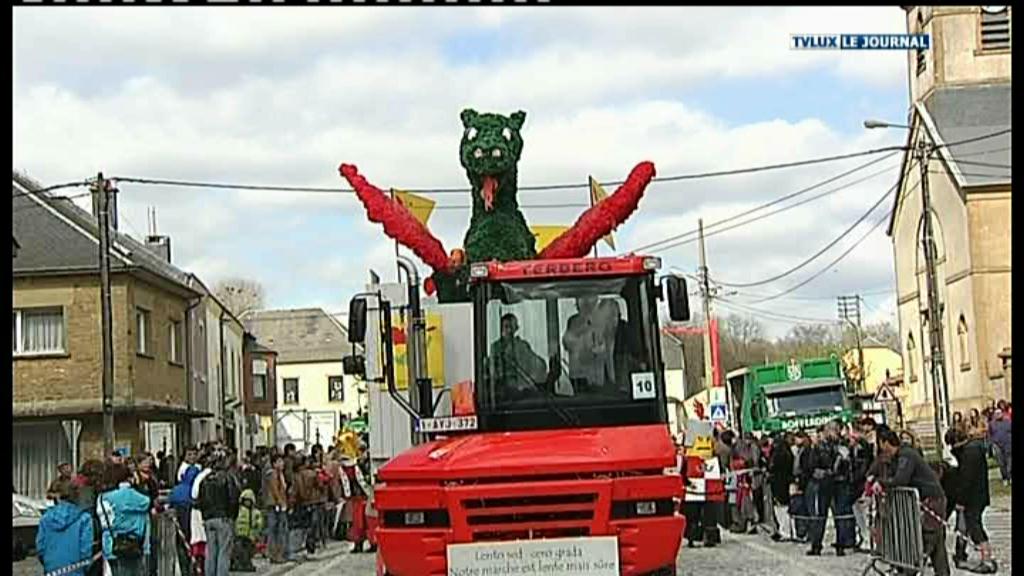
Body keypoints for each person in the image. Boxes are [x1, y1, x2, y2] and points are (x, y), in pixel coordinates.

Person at [873, 429, 950, 576]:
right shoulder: (898, 456)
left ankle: (911, 571)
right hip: (925, 501)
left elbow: (900, 479)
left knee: (929, 538)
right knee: (935, 542)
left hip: (932, 501)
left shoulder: (906, 455)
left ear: (885, 443)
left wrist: (881, 483)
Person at [946, 428, 997, 572]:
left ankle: (987, 560)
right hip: (978, 495)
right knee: (970, 526)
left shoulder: (968, 453)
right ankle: (968, 554)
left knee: (975, 527)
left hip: (973, 498)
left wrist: (961, 500)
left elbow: (966, 479)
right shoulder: (974, 448)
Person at [97, 463, 152, 576]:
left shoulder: (102, 497)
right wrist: (135, 483)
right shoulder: (127, 494)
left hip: (109, 544)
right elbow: (147, 502)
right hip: (130, 544)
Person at [196, 452, 240, 576]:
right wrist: (232, 516)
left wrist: (205, 516)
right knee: (224, 551)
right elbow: (233, 498)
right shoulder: (228, 478)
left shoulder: (205, 479)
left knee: (210, 551)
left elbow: (200, 499)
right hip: (224, 517)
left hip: (209, 518)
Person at [36, 483, 94, 576]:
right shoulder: (84, 518)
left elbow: (40, 548)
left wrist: (49, 564)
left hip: (52, 569)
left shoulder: (45, 518)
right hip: (76, 569)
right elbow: (86, 550)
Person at [562, 296, 613, 392]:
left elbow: (609, 347)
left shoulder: (603, 320)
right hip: (578, 378)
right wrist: (583, 326)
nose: (578, 304)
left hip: (598, 379)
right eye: (578, 302)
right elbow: (567, 343)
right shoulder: (573, 322)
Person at [490, 313, 548, 396]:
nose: (509, 331)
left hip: (523, 391)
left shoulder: (523, 346)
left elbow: (539, 366)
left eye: (512, 327)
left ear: (516, 328)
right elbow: (494, 373)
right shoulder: (495, 348)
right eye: (506, 327)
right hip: (503, 395)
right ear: (500, 328)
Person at [263, 454, 291, 564]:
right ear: (274, 463)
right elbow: (275, 490)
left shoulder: (280, 474)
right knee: (277, 530)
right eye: (279, 461)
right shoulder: (273, 474)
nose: (282, 463)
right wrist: (281, 502)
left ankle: (278, 553)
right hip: (275, 505)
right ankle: (276, 554)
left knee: (278, 529)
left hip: (278, 504)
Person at [768, 433, 794, 542]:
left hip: (780, 483)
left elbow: (775, 467)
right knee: (779, 508)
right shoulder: (786, 452)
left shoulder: (780, 454)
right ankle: (782, 529)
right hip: (780, 482)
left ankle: (785, 531)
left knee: (782, 508)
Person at [231, 489, 264, 572]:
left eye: (249, 501)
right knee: (238, 551)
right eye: (245, 501)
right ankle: (238, 564)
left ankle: (246, 564)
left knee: (248, 552)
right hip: (239, 535)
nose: (247, 503)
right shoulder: (238, 510)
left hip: (249, 536)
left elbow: (258, 523)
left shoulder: (255, 512)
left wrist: (256, 532)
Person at [988, 408, 1012, 486]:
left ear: (1002, 414)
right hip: (997, 445)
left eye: (999, 413)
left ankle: (1010, 476)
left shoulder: (1008, 422)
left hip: (1008, 444)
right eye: (996, 413)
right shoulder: (992, 424)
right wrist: (993, 444)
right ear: (994, 415)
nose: (998, 415)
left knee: (1009, 461)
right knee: (1001, 463)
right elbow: (990, 435)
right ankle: (1004, 477)